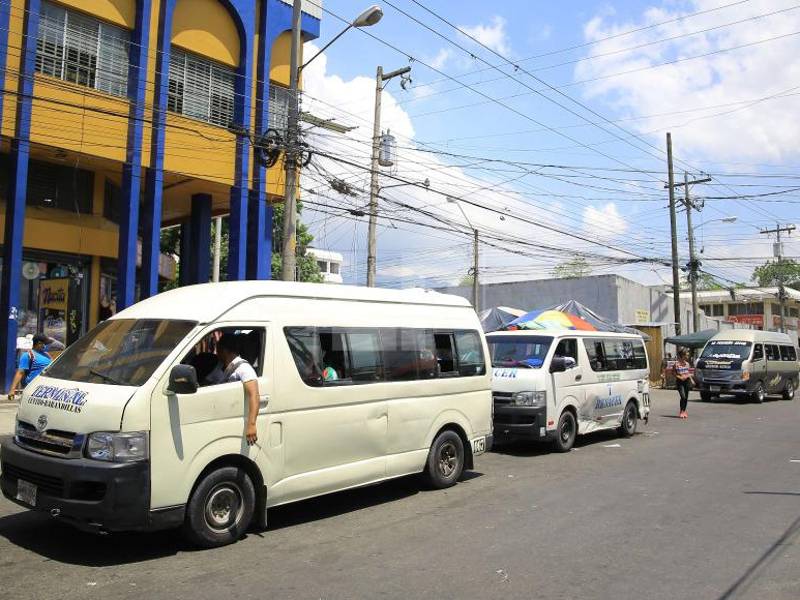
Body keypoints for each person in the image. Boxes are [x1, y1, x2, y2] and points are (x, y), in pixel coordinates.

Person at [216, 334, 260, 445]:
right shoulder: (225, 367)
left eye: (218, 350)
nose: (216, 353)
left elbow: (254, 395)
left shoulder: (244, 368)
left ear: (224, 350)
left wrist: (251, 425)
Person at [675, 349, 695, 419]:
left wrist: (692, 380)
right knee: (683, 396)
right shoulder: (676, 364)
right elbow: (673, 373)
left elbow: (688, 373)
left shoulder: (687, 364)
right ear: (682, 355)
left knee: (686, 397)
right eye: (686, 355)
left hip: (687, 381)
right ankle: (681, 411)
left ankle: (683, 411)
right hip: (680, 382)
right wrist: (680, 377)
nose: (687, 356)